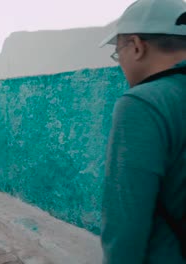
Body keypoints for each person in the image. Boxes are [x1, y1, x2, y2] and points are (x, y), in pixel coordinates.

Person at [99, 0, 186, 263]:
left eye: (118, 52)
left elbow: (126, 220)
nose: (119, 62)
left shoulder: (143, 104)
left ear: (137, 46)